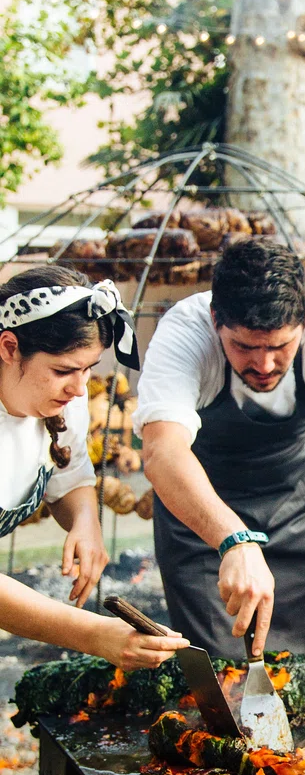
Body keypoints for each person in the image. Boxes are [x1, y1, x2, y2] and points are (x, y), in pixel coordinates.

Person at [135, 238, 305, 659]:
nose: (263, 366)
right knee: (222, 669)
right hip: (203, 527)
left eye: (280, 347)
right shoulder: (184, 333)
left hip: (300, 512)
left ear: (304, 322)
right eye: (244, 347)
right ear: (215, 320)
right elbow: (162, 452)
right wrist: (232, 541)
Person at [0, 266, 186, 669]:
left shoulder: (64, 400)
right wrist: (94, 634)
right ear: (9, 347)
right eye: (64, 370)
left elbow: (68, 473)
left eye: (89, 369)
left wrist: (86, 520)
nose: (79, 387)